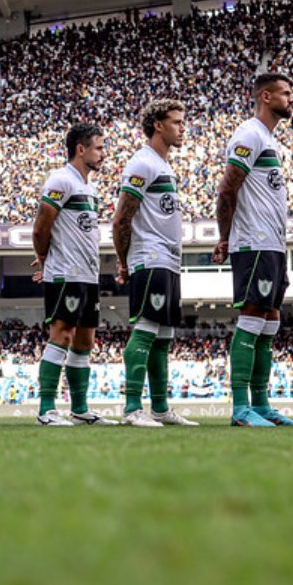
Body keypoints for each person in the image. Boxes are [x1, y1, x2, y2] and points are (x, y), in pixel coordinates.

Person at [212, 73, 293, 427]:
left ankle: (262, 404)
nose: (291, 99)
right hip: (253, 241)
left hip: (273, 244)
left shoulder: (269, 139)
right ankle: (240, 407)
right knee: (252, 317)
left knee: (270, 321)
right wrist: (224, 236)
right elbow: (227, 189)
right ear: (266, 97)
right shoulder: (249, 134)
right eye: (285, 93)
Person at [113, 100, 198, 428]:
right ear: (158, 125)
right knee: (146, 327)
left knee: (164, 334)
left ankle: (160, 408)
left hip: (168, 259)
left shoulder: (164, 166)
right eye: (176, 122)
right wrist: (124, 262)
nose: (182, 127)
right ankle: (132, 408)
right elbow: (121, 218)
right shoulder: (143, 164)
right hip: (150, 256)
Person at [31, 123, 116, 426]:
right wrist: (44, 259)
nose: (103, 154)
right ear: (81, 149)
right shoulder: (60, 180)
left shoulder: (89, 187)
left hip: (88, 276)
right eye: (99, 148)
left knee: (84, 341)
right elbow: (41, 227)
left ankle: (79, 409)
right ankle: (46, 410)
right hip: (66, 272)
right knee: (61, 336)